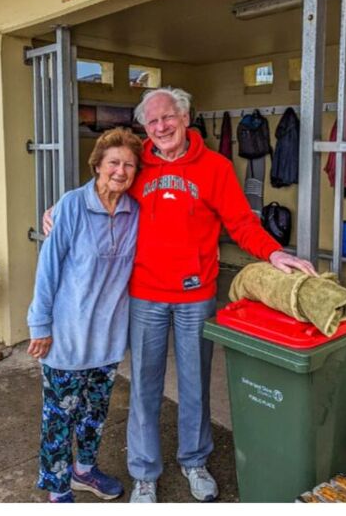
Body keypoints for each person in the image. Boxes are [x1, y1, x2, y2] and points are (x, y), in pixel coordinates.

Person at [43, 87, 317, 503]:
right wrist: (56, 210)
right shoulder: (139, 165)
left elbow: (241, 222)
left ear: (185, 117)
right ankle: (144, 474)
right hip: (145, 295)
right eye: (152, 122)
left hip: (196, 295)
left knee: (194, 385)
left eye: (167, 117)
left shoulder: (216, 167)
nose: (161, 127)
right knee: (145, 387)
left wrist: (274, 251)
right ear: (145, 128)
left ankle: (194, 461)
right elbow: (103, 185)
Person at [27, 127, 143, 503]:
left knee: (94, 415)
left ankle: (84, 471)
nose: (121, 171)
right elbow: (48, 270)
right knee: (59, 420)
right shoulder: (72, 205)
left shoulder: (135, 212)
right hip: (66, 336)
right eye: (114, 162)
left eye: (129, 164)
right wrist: (40, 325)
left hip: (107, 338)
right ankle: (58, 488)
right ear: (97, 165)